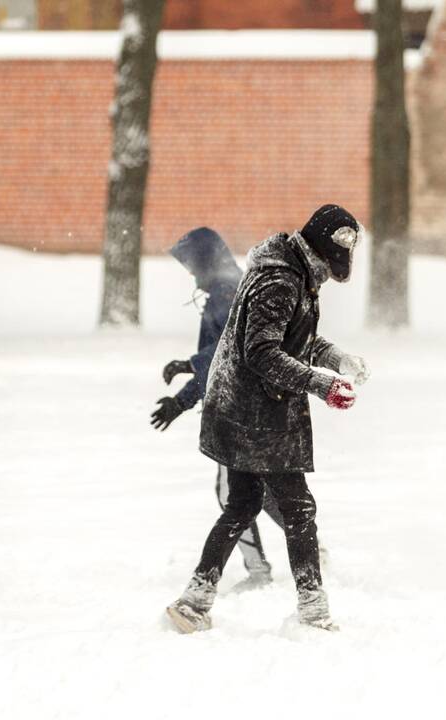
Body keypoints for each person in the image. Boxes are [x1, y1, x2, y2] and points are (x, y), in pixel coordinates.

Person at [165, 204, 371, 633]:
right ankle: (313, 614)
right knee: (298, 510)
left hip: (243, 408)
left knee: (241, 506)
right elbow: (261, 352)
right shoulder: (281, 279)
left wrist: (334, 357)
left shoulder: (290, 270)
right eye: (331, 270)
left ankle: (194, 601)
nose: (330, 278)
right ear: (321, 253)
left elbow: (293, 335)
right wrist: (322, 384)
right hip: (256, 414)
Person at [150, 227, 285, 589]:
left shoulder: (227, 293)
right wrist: (183, 395)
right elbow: (216, 366)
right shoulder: (227, 290)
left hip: (239, 410)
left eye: (193, 266)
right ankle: (312, 547)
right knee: (262, 491)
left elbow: (226, 354)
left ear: (208, 262)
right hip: (248, 407)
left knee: (231, 493)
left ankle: (258, 572)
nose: (191, 274)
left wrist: (187, 372)